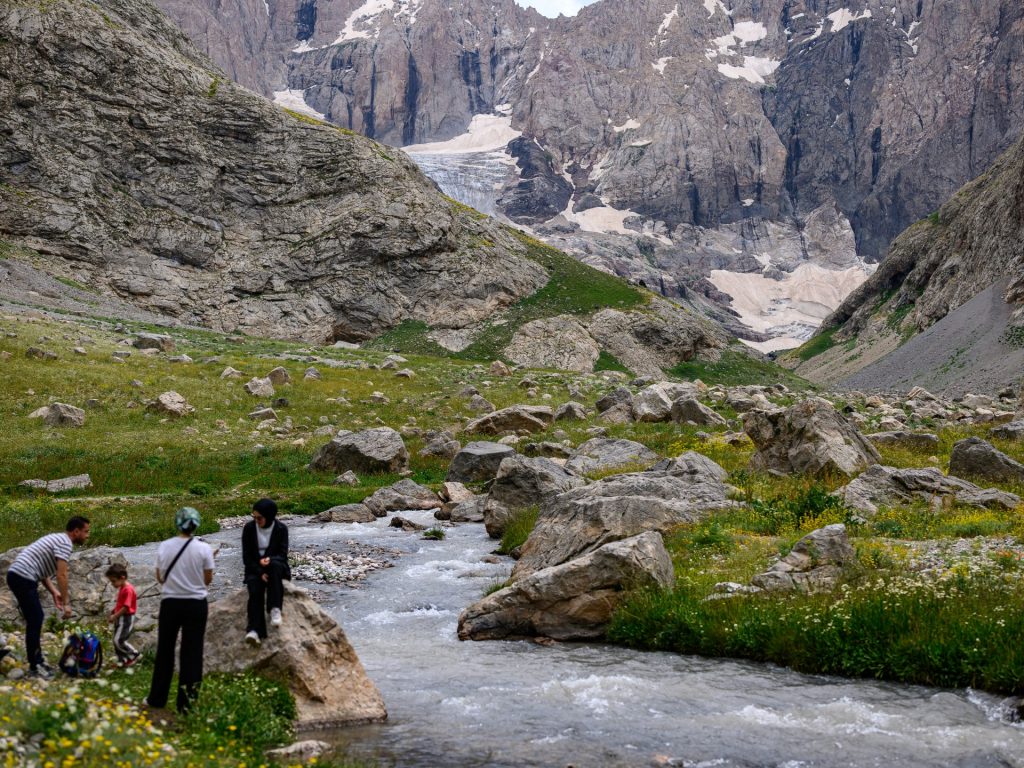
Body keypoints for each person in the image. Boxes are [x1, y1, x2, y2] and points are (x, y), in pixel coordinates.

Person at [145, 507, 214, 713]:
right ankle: (188, 705)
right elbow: (208, 579)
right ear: (196, 525)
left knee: (165, 650)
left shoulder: (165, 546)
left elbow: (160, 577)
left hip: (171, 603)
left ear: (177, 523)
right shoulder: (204, 549)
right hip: (196, 604)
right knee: (192, 652)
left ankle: (157, 698)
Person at [5, 516, 91, 678]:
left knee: (35, 618)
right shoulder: (65, 543)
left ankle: (36, 661)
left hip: (18, 575)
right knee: (36, 619)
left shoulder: (58, 539)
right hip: (23, 576)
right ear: (76, 531)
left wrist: (53, 592)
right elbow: (62, 575)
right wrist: (66, 603)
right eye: (86, 531)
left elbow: (42, 570)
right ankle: (35, 666)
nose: (88, 535)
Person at [241, 498, 290, 646]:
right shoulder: (249, 529)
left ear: (269, 516)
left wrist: (268, 559)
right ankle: (254, 630)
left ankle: (275, 608)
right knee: (255, 588)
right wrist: (258, 570)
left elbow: (282, 554)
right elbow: (246, 557)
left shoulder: (281, 529)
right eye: (254, 517)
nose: (256, 520)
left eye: (259, 517)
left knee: (274, 566)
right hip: (255, 567)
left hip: (276, 565)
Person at [105, 563, 140, 667]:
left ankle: (134, 654)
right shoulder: (122, 587)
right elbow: (121, 603)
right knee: (116, 640)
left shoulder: (128, 589)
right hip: (121, 617)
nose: (112, 584)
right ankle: (123, 661)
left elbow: (126, 607)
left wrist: (114, 616)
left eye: (113, 581)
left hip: (126, 618)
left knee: (119, 640)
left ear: (122, 578)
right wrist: (114, 610)